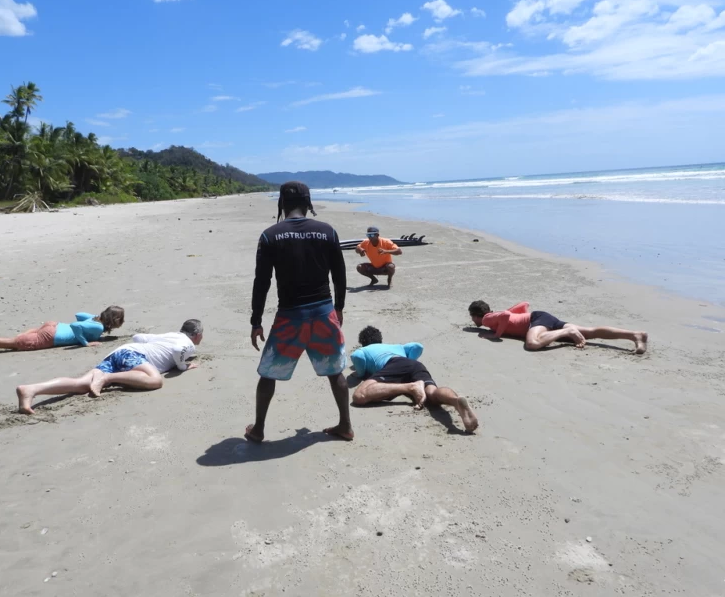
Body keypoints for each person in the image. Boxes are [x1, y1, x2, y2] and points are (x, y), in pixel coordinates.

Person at [248, 181, 353, 443]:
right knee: (335, 372)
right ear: (309, 203)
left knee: (268, 374)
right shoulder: (327, 231)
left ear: (282, 203)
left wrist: (256, 320)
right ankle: (345, 425)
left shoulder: (270, 235)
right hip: (323, 313)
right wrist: (339, 307)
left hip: (290, 318)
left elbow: (262, 282)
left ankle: (259, 429)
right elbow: (339, 275)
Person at [15, 319, 203, 414]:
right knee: (155, 380)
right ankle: (107, 378)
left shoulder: (169, 335)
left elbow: (139, 337)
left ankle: (31, 390)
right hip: (133, 355)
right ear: (197, 334)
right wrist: (182, 366)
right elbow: (180, 349)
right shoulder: (188, 343)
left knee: (81, 384)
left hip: (122, 351)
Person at [350, 326, 478, 433]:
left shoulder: (365, 349)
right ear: (381, 340)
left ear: (363, 342)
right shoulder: (396, 346)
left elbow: (356, 356)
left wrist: (361, 374)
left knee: (359, 396)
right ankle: (455, 401)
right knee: (432, 393)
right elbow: (417, 346)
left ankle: (411, 387)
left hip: (392, 364)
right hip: (413, 364)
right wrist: (409, 359)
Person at [468, 300, 648, 354]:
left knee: (532, 343)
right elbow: (522, 305)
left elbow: (507, 316)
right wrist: (522, 313)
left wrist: (495, 335)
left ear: (476, 315)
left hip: (536, 321)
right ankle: (635, 335)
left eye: (473, 318)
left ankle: (567, 331)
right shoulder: (495, 314)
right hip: (540, 317)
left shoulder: (486, 320)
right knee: (589, 332)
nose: (474, 322)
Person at [0, 307, 125, 356]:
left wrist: (94, 317)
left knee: (17, 340)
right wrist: (85, 343)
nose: (122, 323)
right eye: (121, 320)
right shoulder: (98, 327)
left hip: (53, 325)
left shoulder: (95, 319)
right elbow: (75, 325)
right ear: (115, 321)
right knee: (10, 343)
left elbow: (79, 314)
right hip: (51, 336)